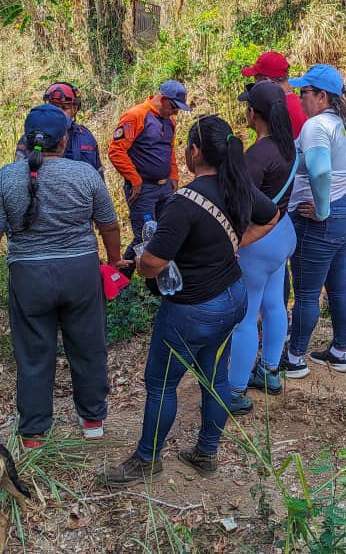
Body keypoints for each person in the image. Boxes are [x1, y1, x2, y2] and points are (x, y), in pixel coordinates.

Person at [100, 116, 279, 485]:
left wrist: (143, 259)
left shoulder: (183, 203)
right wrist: (234, 244)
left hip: (192, 309)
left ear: (194, 152)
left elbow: (153, 264)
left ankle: (147, 459)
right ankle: (206, 451)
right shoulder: (238, 186)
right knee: (214, 377)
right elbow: (273, 215)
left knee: (162, 383)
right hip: (232, 297)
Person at [0, 104, 129, 446]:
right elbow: (109, 224)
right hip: (81, 273)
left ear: (26, 140)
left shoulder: (5, 178)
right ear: (66, 139)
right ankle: (92, 421)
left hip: (29, 276)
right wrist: (114, 260)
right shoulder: (85, 174)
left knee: (32, 352)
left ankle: (34, 433)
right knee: (88, 346)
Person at [281, 65, 346, 379]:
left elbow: (320, 171)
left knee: (308, 293)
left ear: (321, 96)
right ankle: (340, 351)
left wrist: (323, 206)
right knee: (339, 284)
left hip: (322, 219)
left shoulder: (316, 126)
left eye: (304, 93)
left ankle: (294, 358)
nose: (299, 99)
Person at [227, 82, 298, 414]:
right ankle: (269, 370)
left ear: (254, 113)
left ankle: (235, 388)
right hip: (284, 232)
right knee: (273, 303)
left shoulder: (256, 155)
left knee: (244, 314)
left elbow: (241, 203)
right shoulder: (289, 147)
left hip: (259, 239)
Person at [108, 80, 190, 260]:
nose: (175, 111)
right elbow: (116, 151)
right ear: (163, 98)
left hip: (164, 187)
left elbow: (169, 150)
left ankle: (148, 277)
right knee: (145, 237)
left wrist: (173, 176)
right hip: (143, 189)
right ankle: (122, 279)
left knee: (165, 232)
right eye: (174, 106)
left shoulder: (170, 122)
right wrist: (134, 179)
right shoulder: (136, 116)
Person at [15, 82, 103, 174]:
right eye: (54, 107)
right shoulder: (32, 137)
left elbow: (97, 175)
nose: (59, 113)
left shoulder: (86, 138)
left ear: (75, 109)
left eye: (64, 108)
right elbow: (18, 174)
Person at [242, 50, 306, 138]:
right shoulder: (302, 104)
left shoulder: (275, 109)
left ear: (266, 81)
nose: (255, 84)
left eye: (256, 79)